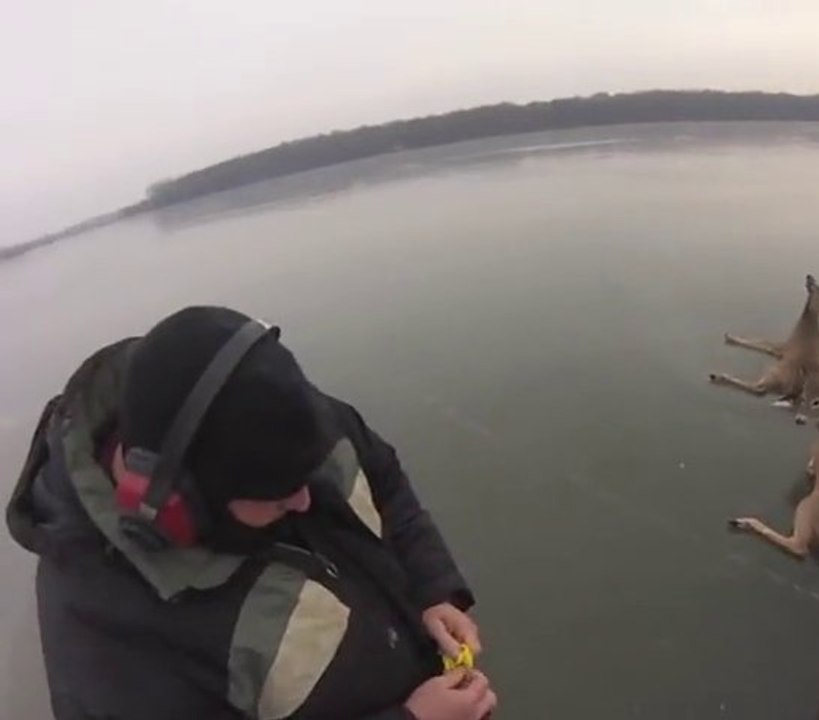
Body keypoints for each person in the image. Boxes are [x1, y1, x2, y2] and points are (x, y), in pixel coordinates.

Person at [5, 306, 498, 720]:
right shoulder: (103, 643)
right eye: (279, 495)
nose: (305, 501)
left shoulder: (277, 417)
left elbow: (382, 475)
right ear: (175, 506)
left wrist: (433, 588)